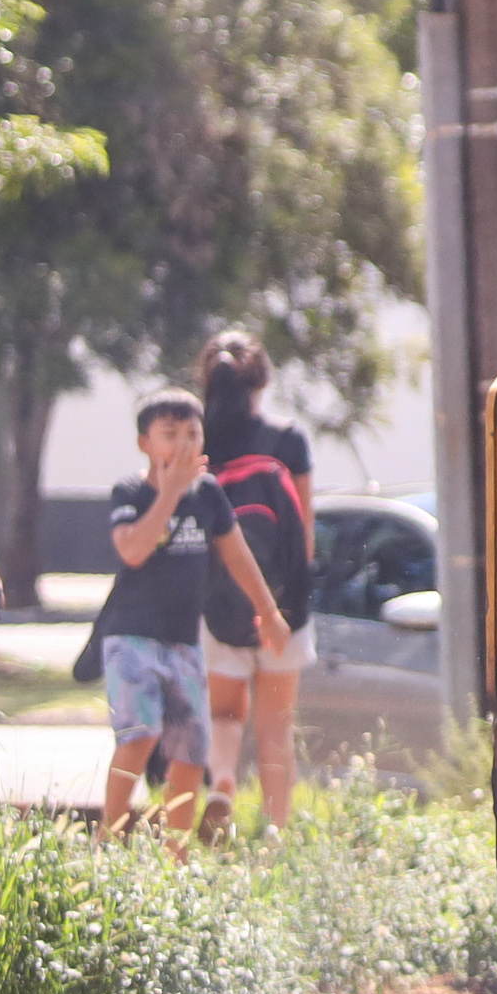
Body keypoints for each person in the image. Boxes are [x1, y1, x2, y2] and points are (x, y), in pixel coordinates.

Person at [101, 387, 289, 842]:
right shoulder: (130, 491)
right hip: (131, 638)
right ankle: (108, 835)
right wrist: (169, 493)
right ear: (145, 443)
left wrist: (268, 611)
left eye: (193, 433)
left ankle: (177, 854)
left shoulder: (208, 494)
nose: (184, 444)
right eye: (170, 434)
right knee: (140, 736)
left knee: (189, 751)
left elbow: (237, 554)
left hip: (184, 641)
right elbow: (132, 550)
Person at [196, 329, 316, 831]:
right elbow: (304, 531)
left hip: (219, 603)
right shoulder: (288, 440)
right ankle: (275, 831)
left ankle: (223, 779)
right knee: (276, 726)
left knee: (225, 714)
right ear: (262, 383)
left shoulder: (197, 441)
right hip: (285, 606)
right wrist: (288, 598)